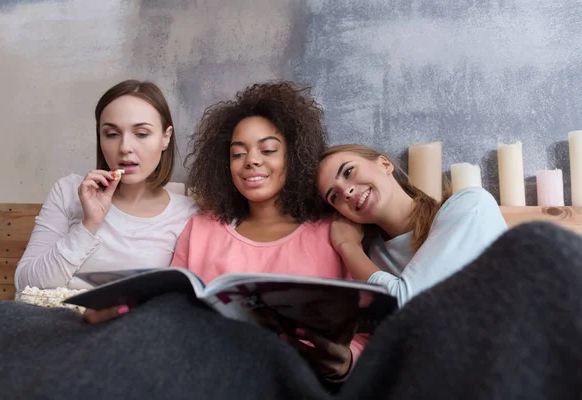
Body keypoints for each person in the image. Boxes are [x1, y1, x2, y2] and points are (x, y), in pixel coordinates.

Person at [85, 81, 367, 383]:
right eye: (237, 154)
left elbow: (367, 327)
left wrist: (348, 360)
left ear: (295, 155)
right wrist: (111, 315)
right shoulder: (202, 228)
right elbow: (170, 311)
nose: (252, 161)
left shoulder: (334, 232)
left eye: (268, 149)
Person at [14, 80, 197, 291]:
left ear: (165, 138)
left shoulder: (187, 214)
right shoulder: (68, 191)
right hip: (54, 318)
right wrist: (89, 225)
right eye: (112, 134)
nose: (125, 147)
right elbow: (25, 285)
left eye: (141, 134)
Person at [316, 144, 508, 306]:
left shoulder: (470, 205)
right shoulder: (374, 260)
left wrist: (347, 246)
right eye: (334, 196)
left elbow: (407, 303)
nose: (346, 192)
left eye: (348, 171)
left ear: (385, 164)